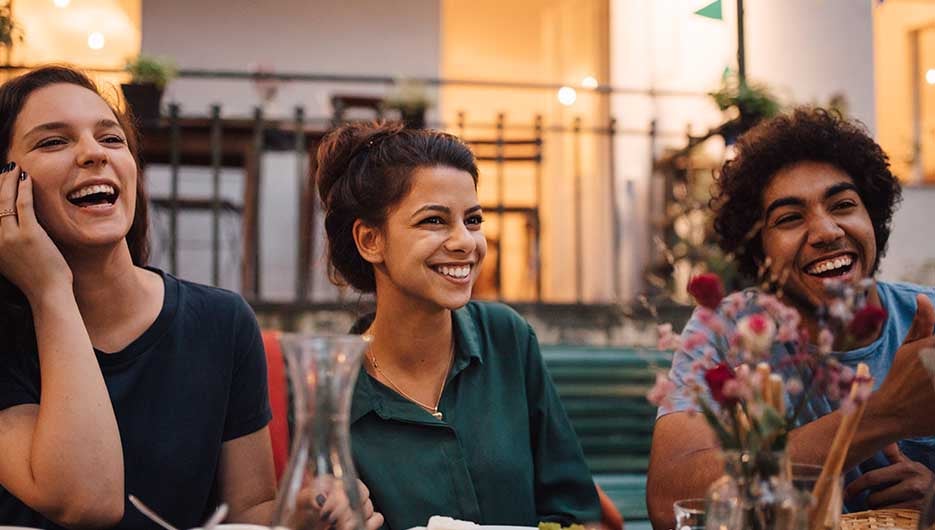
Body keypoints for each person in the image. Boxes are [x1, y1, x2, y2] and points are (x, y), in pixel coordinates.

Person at [0, 66, 382, 530]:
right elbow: (88, 500)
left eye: (111, 138)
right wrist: (49, 289)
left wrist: (300, 514)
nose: (93, 154)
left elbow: (248, 512)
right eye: (53, 142)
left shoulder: (221, 322)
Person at [647, 108, 935, 529]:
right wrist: (883, 414)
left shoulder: (929, 320)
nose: (826, 231)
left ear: (873, 216)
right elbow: (672, 503)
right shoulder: (729, 331)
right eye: (789, 218)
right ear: (759, 252)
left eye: (843, 204)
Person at [315, 121, 602, 530]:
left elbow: (576, 513)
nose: (465, 242)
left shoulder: (507, 339)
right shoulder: (334, 395)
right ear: (369, 240)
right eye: (434, 221)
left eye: (473, 219)